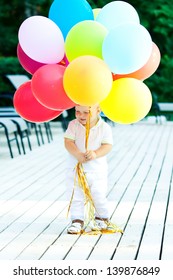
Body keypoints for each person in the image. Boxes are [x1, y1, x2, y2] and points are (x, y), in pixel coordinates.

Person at [64, 104, 115, 234]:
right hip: (75, 169)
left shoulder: (104, 127)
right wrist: (78, 154)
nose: (81, 115)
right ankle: (77, 220)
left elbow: (107, 145)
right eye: (77, 111)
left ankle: (102, 218)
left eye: (86, 112)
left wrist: (96, 153)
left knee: (98, 193)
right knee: (76, 194)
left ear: (98, 110)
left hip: (97, 169)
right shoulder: (73, 125)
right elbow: (68, 142)